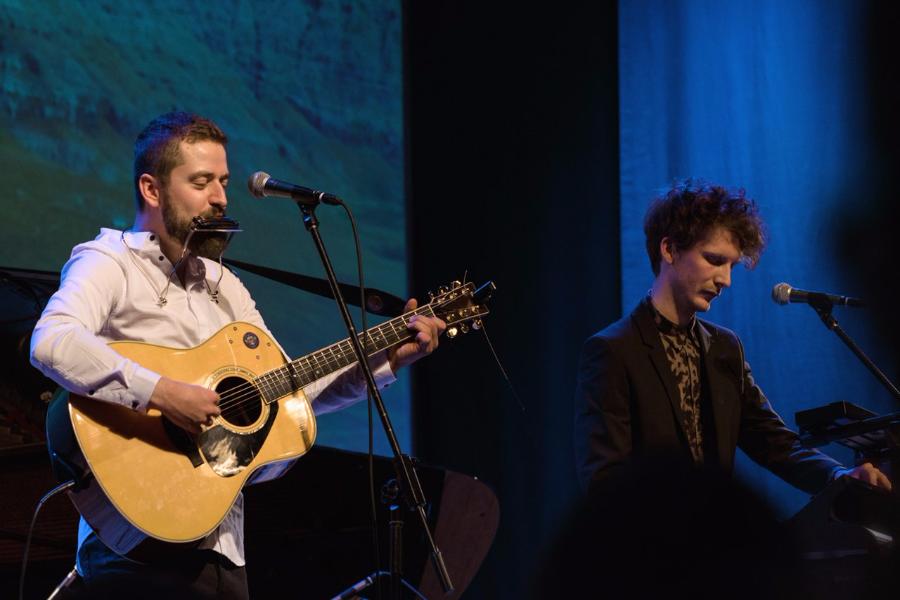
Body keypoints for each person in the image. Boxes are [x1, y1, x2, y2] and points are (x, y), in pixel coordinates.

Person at [30, 111, 445, 598]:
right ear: (151, 189)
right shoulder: (109, 262)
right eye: (201, 182)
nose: (220, 197)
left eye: (223, 181)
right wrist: (164, 393)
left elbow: (290, 390)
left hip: (222, 546)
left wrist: (389, 358)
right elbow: (52, 340)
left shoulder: (225, 286)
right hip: (134, 545)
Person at [573, 180, 890, 495]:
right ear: (668, 249)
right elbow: (605, 481)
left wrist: (838, 475)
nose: (725, 279)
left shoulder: (725, 348)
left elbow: (773, 441)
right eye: (714, 260)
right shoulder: (613, 351)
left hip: (717, 540)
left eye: (732, 266)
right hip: (651, 541)